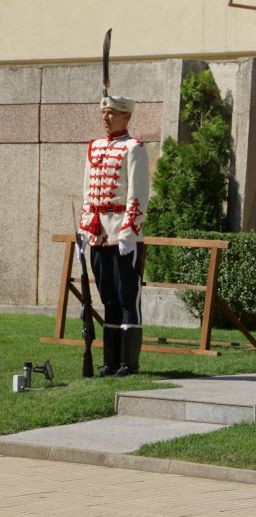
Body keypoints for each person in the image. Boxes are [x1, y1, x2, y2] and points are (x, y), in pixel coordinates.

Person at [79, 95, 149, 377]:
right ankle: (110, 361)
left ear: (126, 116)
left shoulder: (134, 148)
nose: (105, 118)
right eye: (104, 113)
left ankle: (128, 363)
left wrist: (129, 232)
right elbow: (88, 193)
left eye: (112, 113)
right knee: (108, 298)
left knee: (127, 297)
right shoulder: (94, 147)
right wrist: (85, 229)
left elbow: (138, 194)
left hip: (123, 235)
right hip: (98, 235)